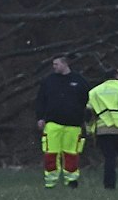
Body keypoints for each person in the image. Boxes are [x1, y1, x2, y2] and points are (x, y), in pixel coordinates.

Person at [34, 55, 91, 189]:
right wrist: (40, 117)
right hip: (53, 123)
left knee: (71, 154)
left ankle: (71, 180)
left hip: (74, 124)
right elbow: (41, 100)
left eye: (56, 64)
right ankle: (50, 182)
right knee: (51, 154)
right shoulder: (49, 81)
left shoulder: (79, 80)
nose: (54, 67)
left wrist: (86, 117)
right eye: (53, 64)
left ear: (65, 64)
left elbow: (88, 100)